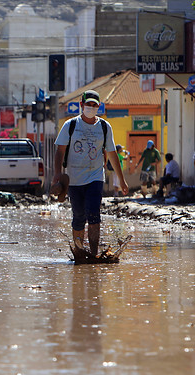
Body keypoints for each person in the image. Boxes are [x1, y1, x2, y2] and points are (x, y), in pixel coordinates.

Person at [52, 89, 128, 256]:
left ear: (98, 106)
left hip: (95, 176)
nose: (91, 107)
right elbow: (60, 152)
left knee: (94, 213)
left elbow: (112, 153)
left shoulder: (104, 127)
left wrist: (121, 180)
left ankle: (93, 254)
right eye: (88, 104)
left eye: (95, 105)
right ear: (82, 105)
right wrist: (57, 175)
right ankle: (79, 253)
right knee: (79, 216)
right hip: (74, 179)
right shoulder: (70, 125)